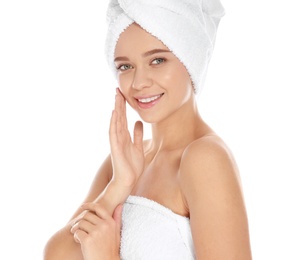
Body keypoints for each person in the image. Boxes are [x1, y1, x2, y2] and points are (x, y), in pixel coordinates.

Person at [44, 0, 252, 259]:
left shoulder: (204, 158)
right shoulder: (123, 162)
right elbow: (57, 255)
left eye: (157, 60)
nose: (140, 82)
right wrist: (119, 186)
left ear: (191, 58)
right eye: (125, 66)